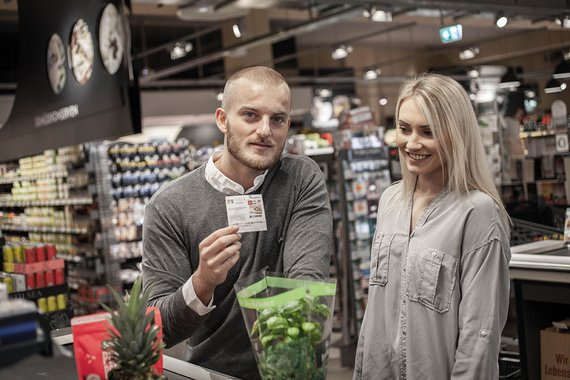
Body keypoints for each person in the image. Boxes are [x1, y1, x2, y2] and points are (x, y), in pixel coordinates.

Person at [142, 66, 332, 379]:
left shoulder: (301, 179)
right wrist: (202, 282)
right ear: (222, 120)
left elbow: (306, 282)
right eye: (250, 115)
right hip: (213, 373)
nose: (265, 130)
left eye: (278, 119)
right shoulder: (168, 207)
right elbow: (156, 330)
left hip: (294, 368)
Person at [353, 74, 511, 379]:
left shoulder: (477, 212)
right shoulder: (390, 201)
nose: (412, 143)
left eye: (428, 132)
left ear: (456, 133)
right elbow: (374, 313)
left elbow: (480, 333)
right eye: (404, 129)